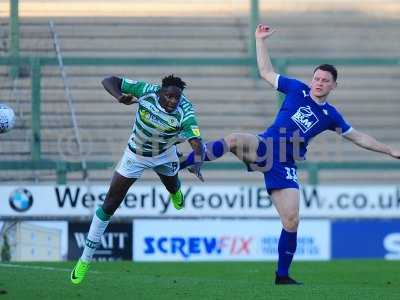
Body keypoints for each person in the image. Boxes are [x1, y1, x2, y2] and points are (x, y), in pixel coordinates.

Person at [180, 24, 400, 285]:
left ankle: (282, 276)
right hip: (265, 147)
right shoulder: (296, 89)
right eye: (316, 78)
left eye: (325, 81)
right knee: (234, 139)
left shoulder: (331, 115)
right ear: (312, 79)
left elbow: (357, 136)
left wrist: (390, 150)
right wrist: (260, 40)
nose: (319, 83)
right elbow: (265, 72)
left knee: (292, 220)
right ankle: (183, 161)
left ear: (334, 86)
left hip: (284, 164)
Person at [70, 74, 205, 284]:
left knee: (172, 185)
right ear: (161, 92)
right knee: (110, 203)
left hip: (164, 154)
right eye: (169, 96)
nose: (172, 102)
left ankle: (176, 192)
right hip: (135, 155)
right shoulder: (146, 91)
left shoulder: (185, 111)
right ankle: (85, 259)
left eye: (176, 98)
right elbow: (108, 80)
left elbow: (197, 143)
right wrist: (118, 96)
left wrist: (197, 162)